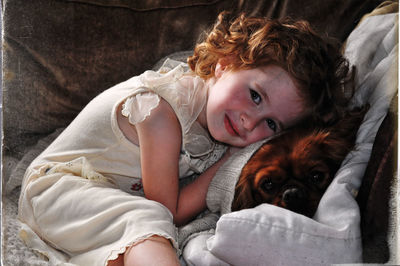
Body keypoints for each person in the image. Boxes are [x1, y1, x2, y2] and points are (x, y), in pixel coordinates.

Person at [18, 12, 353, 266]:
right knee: (148, 222)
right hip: (56, 191)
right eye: (254, 95)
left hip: (104, 195)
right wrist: (227, 164)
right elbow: (169, 209)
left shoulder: (212, 115)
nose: (249, 122)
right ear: (224, 65)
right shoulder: (159, 112)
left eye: (272, 124)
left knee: (142, 227)